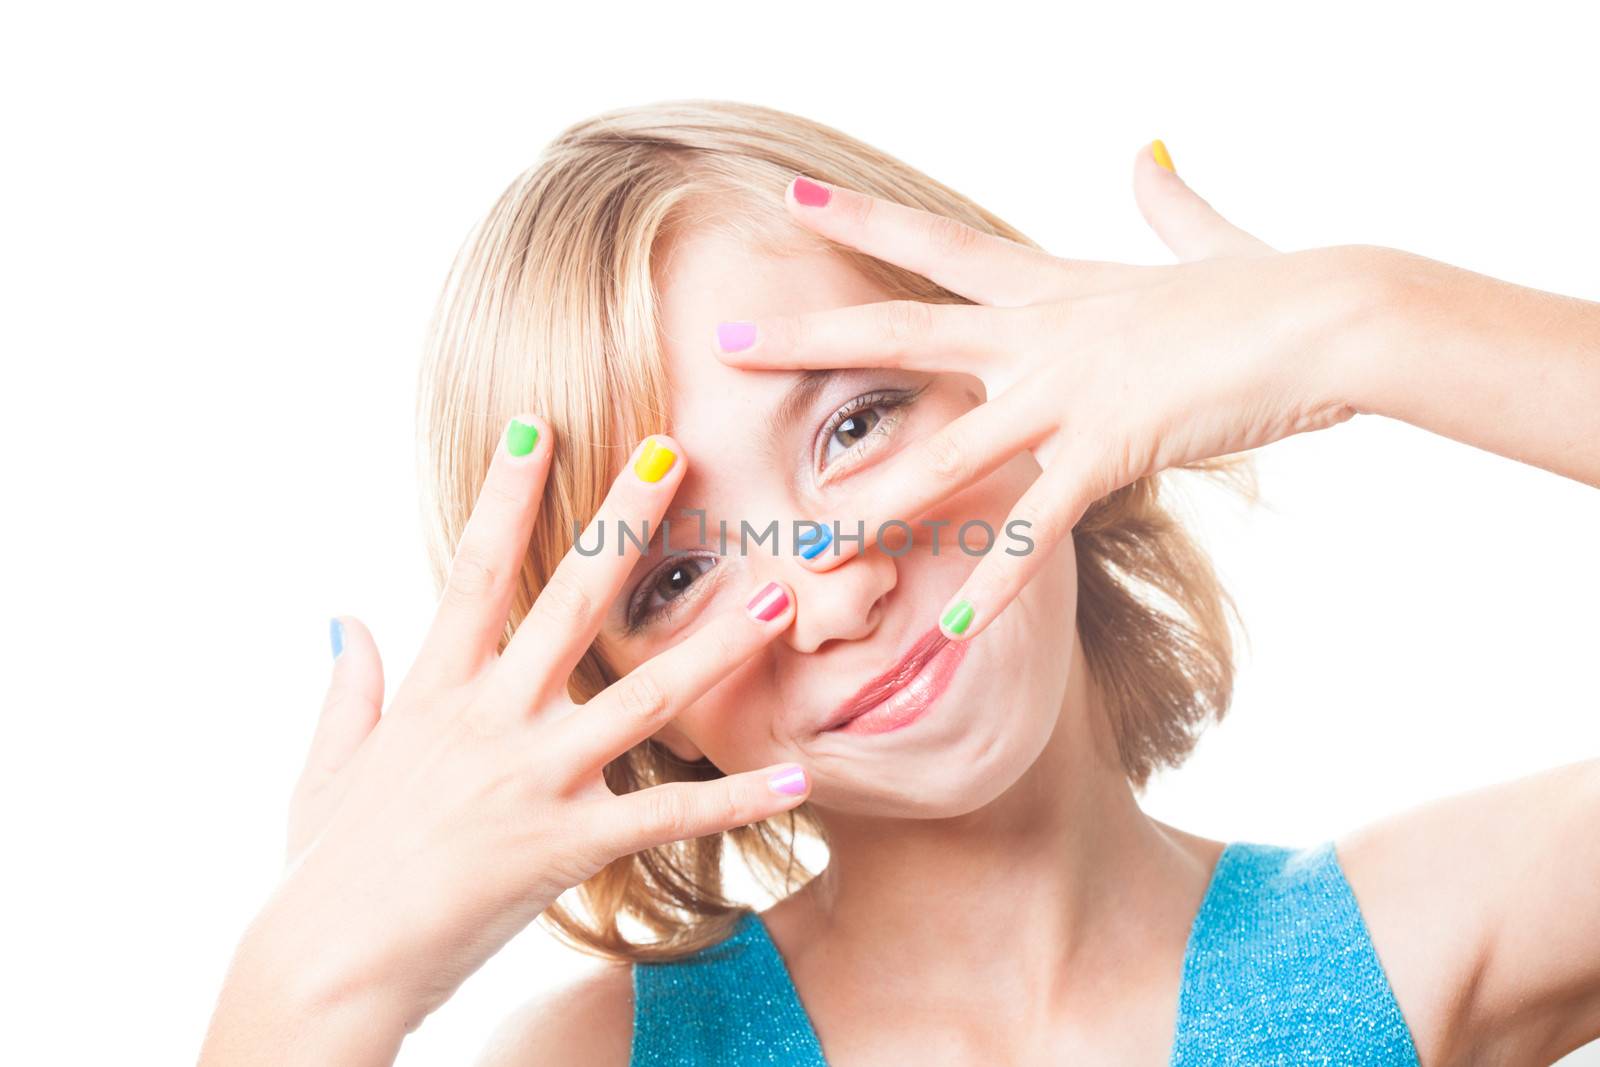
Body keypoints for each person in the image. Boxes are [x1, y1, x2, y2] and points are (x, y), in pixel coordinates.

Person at [198, 100, 1600, 1066]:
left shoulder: (1418, 942)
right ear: (635, 705)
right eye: (677, 572)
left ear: (1046, 373)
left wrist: (1364, 321)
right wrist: (307, 983)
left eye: (856, 425)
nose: (826, 592)